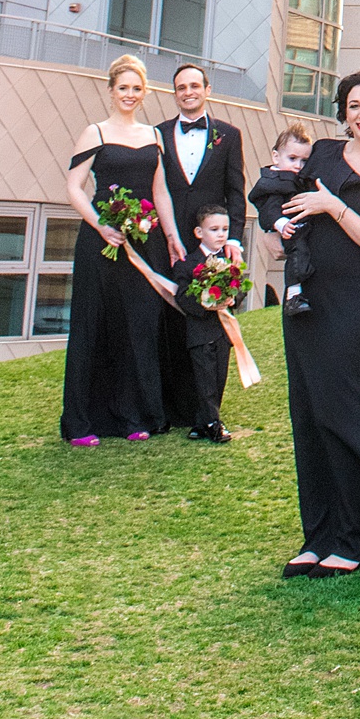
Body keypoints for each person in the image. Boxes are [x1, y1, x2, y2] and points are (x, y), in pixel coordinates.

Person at [273, 69, 360, 577]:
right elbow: (279, 196)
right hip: (304, 300)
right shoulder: (323, 155)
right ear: (343, 110)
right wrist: (280, 226)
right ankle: (320, 536)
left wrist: (333, 207)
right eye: (353, 105)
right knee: (307, 415)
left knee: (342, 410)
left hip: (353, 301)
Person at [59, 54, 180, 445]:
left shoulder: (154, 136)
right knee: (94, 327)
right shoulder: (94, 132)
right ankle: (82, 424)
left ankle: (133, 417)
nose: (130, 94)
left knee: (139, 328)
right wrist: (101, 225)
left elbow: (160, 191)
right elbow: (74, 188)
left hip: (146, 244)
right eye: (123, 88)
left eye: (136, 89)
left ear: (144, 94)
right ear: (111, 91)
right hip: (102, 244)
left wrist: (173, 236)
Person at [155, 64, 248, 428]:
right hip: (169, 243)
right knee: (171, 319)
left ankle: (207, 410)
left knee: (211, 325)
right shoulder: (158, 133)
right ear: (174, 92)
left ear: (207, 89)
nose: (188, 92)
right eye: (181, 87)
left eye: (195, 85)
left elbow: (235, 192)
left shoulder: (229, 134)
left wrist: (233, 239)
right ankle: (172, 406)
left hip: (212, 246)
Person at [122, 200, 241, 445]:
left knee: (219, 378)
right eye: (214, 229)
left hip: (223, 331)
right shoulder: (188, 264)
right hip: (199, 331)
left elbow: (240, 289)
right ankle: (212, 424)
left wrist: (231, 298)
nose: (220, 235)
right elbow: (183, 298)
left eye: (224, 230)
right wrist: (206, 302)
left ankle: (201, 423)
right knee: (204, 379)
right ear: (199, 232)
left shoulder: (229, 263)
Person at [249, 124, 318, 313]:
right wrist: (281, 224)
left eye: (304, 161)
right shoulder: (275, 181)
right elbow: (269, 208)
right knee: (298, 254)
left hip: (301, 226)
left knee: (303, 253)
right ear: (276, 157)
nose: (298, 165)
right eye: (292, 158)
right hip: (288, 229)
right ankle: (293, 296)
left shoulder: (299, 180)